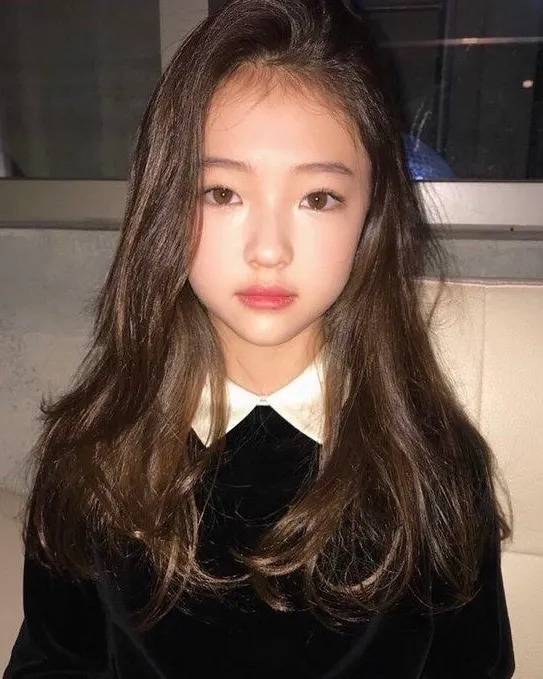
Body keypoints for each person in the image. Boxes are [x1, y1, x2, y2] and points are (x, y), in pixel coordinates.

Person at [4, 0, 515, 677]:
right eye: (221, 193)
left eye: (317, 198)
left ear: (370, 216)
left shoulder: (435, 469)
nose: (268, 249)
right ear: (165, 201)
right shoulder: (91, 458)